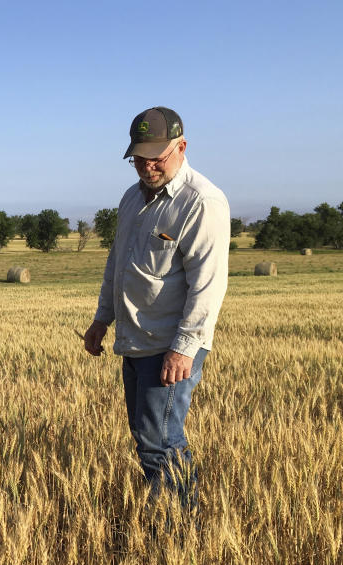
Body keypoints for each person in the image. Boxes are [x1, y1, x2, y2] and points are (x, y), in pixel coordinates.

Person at [83, 106, 229, 508]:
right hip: (134, 338)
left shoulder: (201, 202)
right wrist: (101, 318)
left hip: (169, 344)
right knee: (148, 437)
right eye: (139, 159)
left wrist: (185, 347)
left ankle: (179, 532)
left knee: (160, 443)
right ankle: (172, 521)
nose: (147, 167)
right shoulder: (132, 199)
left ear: (181, 146)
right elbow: (119, 262)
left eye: (157, 157)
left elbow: (208, 284)